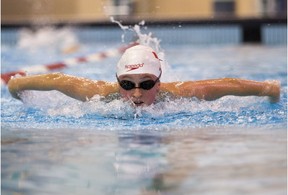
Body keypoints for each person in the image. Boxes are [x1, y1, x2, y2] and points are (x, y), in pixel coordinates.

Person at [7, 44, 280, 106]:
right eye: (127, 84)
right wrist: (16, 86)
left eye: (146, 84)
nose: (136, 93)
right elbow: (58, 80)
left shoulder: (180, 94)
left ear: (158, 83)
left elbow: (228, 85)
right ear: (117, 82)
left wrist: (269, 90)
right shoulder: (102, 95)